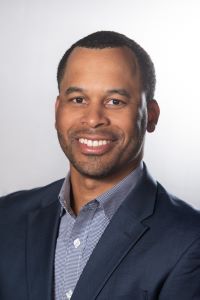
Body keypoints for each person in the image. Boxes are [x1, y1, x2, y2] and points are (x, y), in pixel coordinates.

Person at [0, 31, 200, 300]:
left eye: (115, 101)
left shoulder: (190, 240)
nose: (93, 119)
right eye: (78, 100)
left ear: (151, 116)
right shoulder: (6, 217)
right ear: (57, 110)